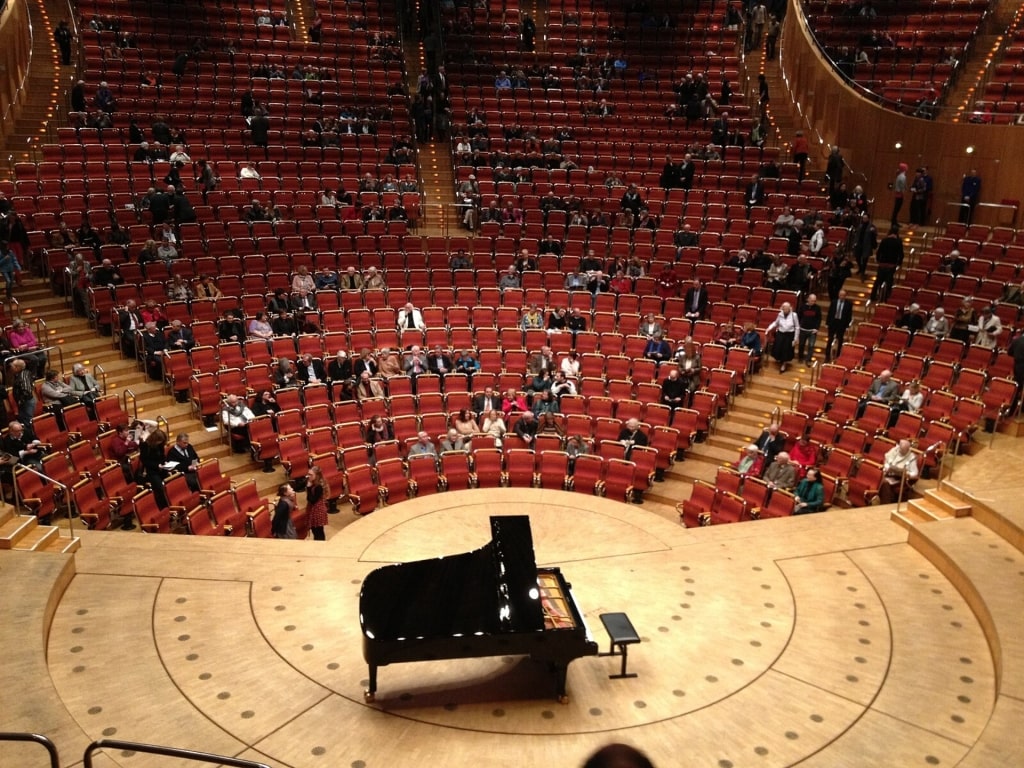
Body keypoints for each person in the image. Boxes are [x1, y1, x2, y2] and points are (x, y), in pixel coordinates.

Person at [880, 439, 919, 504]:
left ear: (907, 450)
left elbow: (915, 473)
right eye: (900, 449)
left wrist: (907, 474)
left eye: (903, 451)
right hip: (888, 473)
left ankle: (885, 503)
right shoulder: (894, 450)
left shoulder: (912, 457)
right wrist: (888, 467)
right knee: (878, 479)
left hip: (899, 478)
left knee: (884, 483)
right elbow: (886, 460)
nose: (901, 451)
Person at [766, 302, 799, 372]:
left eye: (787, 308)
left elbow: (797, 327)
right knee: (779, 348)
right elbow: (776, 322)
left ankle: (784, 364)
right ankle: (781, 360)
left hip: (789, 335)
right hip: (780, 333)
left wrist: (795, 338)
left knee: (786, 350)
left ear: (790, 308)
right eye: (784, 308)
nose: (785, 309)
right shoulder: (780, 314)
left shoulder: (794, 315)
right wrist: (769, 328)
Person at [824, 290, 854, 362]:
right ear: (838, 295)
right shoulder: (834, 302)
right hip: (833, 323)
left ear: (845, 296)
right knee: (830, 339)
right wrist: (827, 323)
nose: (842, 297)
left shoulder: (848, 304)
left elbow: (849, 316)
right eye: (840, 295)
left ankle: (837, 355)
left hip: (841, 324)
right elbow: (830, 312)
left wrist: (847, 326)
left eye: (843, 295)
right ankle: (827, 355)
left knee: (840, 339)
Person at [9, 358, 36, 426]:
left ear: (17, 367)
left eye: (12, 367)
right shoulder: (23, 373)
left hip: (26, 402)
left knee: (27, 421)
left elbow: (27, 390)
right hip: (25, 402)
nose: (11, 369)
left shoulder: (23, 376)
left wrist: (21, 401)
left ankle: (30, 435)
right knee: (24, 420)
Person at [796, 294, 822, 365]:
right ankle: (800, 358)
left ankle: (808, 359)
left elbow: (819, 319)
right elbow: (799, 317)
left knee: (811, 345)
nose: (813, 302)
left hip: (812, 331)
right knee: (801, 344)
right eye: (812, 300)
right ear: (808, 299)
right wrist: (799, 326)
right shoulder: (802, 307)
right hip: (803, 329)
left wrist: (816, 328)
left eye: (814, 301)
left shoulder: (817, 308)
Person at [305, 466, 329, 540]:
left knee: (318, 531)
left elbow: (312, 500)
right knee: (316, 531)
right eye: (308, 474)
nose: (308, 476)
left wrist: (308, 488)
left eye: (311, 475)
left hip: (317, 510)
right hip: (314, 509)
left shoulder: (319, 487)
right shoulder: (312, 482)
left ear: (317, 476)